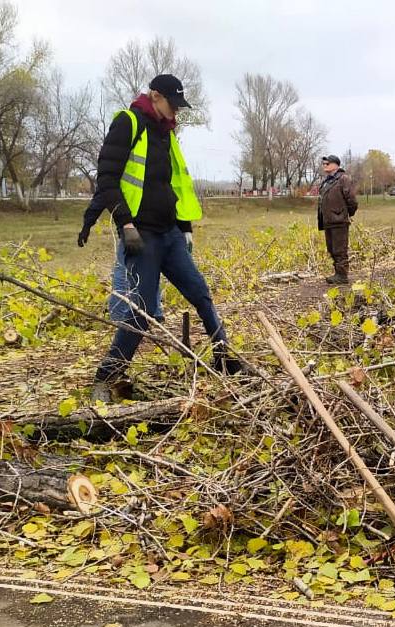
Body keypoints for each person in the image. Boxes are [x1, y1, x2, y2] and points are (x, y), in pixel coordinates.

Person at [90, 74, 239, 402]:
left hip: (170, 233)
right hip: (142, 235)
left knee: (200, 293)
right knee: (142, 310)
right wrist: (126, 224)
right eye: (173, 104)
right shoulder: (128, 123)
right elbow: (107, 179)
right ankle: (106, 377)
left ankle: (224, 357)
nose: (176, 111)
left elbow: (175, 184)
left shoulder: (166, 133)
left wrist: (185, 227)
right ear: (155, 96)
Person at [77, 190, 165, 323]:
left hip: (137, 225)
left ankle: (122, 316)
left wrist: (87, 224)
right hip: (143, 225)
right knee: (143, 269)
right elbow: (105, 192)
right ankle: (148, 313)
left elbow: (104, 193)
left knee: (128, 269)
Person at [317, 154, 358, 285]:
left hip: (339, 220)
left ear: (336, 165)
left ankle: (342, 275)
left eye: (327, 163)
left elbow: (352, 200)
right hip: (328, 220)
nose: (324, 165)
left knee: (340, 249)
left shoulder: (343, 179)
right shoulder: (327, 181)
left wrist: (344, 214)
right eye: (323, 164)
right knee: (332, 248)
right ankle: (337, 273)